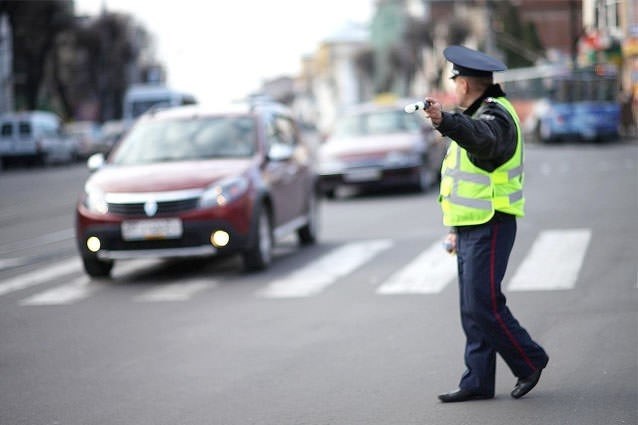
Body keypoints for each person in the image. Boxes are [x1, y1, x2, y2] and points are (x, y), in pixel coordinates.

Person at [421, 45, 549, 402]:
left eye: (457, 79)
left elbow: (484, 142)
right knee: (472, 307)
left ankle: (530, 360)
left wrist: (447, 121)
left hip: (492, 222)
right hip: (470, 224)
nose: (455, 86)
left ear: (464, 83)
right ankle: (477, 380)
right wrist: (454, 228)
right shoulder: (478, 114)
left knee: (483, 304)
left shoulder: (497, 117)